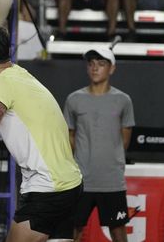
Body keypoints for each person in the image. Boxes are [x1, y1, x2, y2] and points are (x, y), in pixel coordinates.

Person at [0, 25, 82, 241]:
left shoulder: (1, 85)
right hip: (71, 184)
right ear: (8, 51)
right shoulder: (22, 75)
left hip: (48, 190)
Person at [64, 47, 135, 242]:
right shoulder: (74, 99)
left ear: (111, 69)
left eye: (101, 64)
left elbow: (125, 139)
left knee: (118, 230)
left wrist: (111, 160)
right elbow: (70, 136)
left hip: (112, 181)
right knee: (73, 230)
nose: (95, 68)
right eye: (91, 63)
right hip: (80, 181)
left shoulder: (123, 100)